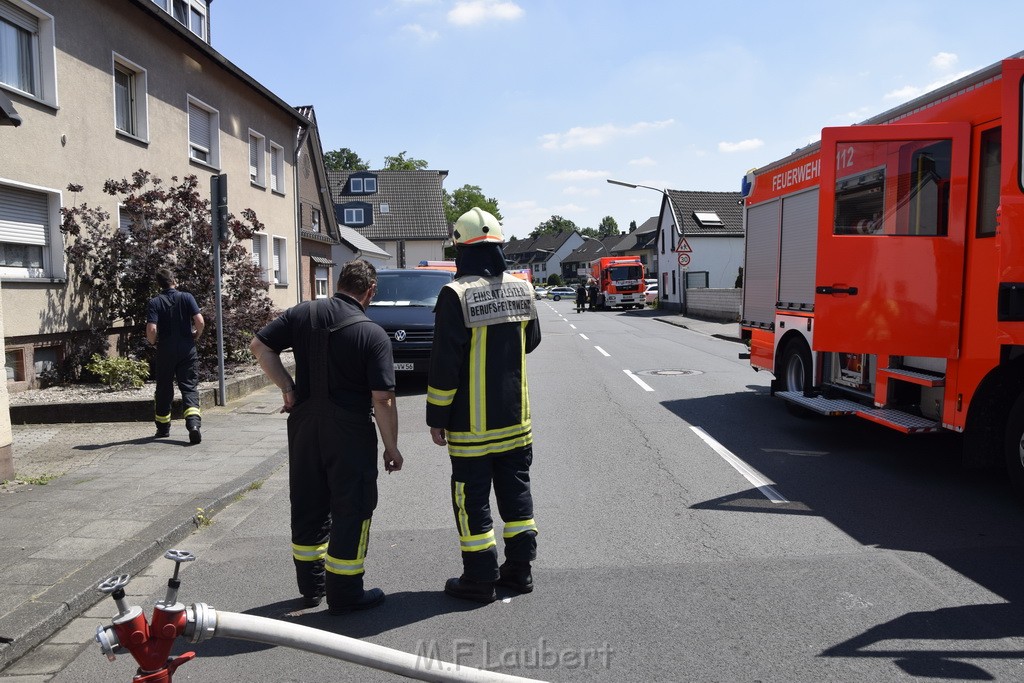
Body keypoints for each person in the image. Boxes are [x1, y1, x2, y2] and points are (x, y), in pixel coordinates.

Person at [249, 259, 403, 614]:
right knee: (353, 506)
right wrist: (391, 447)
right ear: (370, 291)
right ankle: (346, 591)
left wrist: (288, 389)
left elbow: (260, 347)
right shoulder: (372, 334)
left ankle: (311, 587)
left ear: (337, 283)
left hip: (304, 426)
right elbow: (382, 398)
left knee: (308, 503)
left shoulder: (302, 314)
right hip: (348, 431)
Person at [427, 207, 541, 603]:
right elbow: (532, 341)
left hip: (471, 427)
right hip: (516, 421)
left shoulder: (454, 294)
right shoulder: (523, 287)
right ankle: (520, 572)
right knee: (517, 498)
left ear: (460, 247)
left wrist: (436, 417)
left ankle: (478, 578)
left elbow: (445, 364)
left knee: (471, 500)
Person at [146, 267, 204, 443]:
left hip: (165, 350)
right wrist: (196, 334)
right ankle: (193, 425)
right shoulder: (186, 297)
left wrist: (153, 342)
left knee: (164, 388)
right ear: (174, 281)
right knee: (189, 387)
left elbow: (151, 329)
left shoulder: (155, 302)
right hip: (187, 349)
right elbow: (200, 321)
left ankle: (163, 429)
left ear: (159, 284)